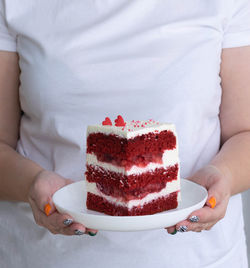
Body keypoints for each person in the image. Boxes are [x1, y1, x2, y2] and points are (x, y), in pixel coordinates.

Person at [0, 0, 250, 267]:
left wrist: (226, 176)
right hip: (44, 257)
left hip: (197, 258)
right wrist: (31, 184)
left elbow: (243, 132)